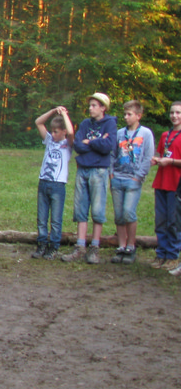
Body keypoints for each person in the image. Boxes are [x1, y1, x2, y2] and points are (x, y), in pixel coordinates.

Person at [61, 92, 117, 264]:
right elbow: (78, 145)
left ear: (103, 108)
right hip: (83, 170)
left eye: (94, 105)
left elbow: (108, 146)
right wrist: (95, 143)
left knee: (98, 210)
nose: (90, 108)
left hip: (99, 171)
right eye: (90, 105)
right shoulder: (85, 123)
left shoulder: (110, 124)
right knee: (80, 209)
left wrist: (90, 142)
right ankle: (80, 246)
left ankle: (94, 247)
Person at [110, 100, 154, 264]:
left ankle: (131, 245)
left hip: (133, 180)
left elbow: (148, 157)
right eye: (125, 114)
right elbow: (112, 154)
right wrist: (111, 174)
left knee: (129, 212)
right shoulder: (120, 133)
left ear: (138, 116)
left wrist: (138, 176)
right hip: (117, 178)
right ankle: (121, 245)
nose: (126, 117)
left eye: (129, 114)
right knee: (119, 215)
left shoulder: (146, 133)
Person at [31, 107, 74, 260]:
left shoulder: (67, 144)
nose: (53, 134)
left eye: (56, 132)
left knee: (55, 219)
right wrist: (53, 111)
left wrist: (64, 114)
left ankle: (54, 246)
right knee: (42, 218)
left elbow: (71, 132)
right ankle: (41, 244)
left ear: (63, 132)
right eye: (52, 131)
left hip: (58, 185)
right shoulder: (49, 140)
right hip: (44, 182)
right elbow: (38, 122)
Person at [150, 101, 181, 274]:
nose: (174, 116)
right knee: (160, 221)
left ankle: (172, 255)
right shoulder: (165, 135)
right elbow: (162, 154)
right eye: (172, 112)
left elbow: (172, 159)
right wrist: (156, 160)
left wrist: (171, 161)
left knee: (173, 222)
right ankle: (161, 253)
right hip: (161, 182)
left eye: (178, 113)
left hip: (176, 184)